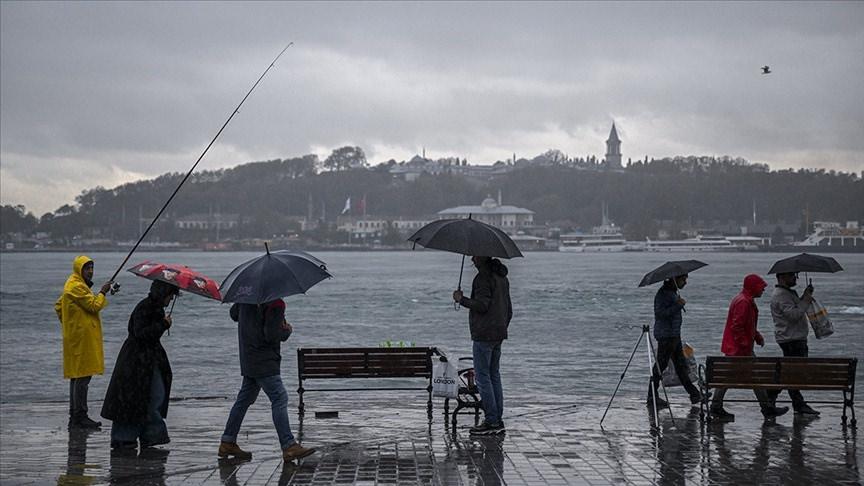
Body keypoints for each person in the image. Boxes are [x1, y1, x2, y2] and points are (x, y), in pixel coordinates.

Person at [218, 299, 315, 462]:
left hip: (248, 358)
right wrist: (286, 331)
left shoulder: (246, 299)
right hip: (265, 361)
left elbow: (234, 314)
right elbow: (271, 335)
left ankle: (228, 441)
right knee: (279, 397)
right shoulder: (275, 303)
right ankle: (288, 445)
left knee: (244, 400)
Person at [101, 280, 178, 450]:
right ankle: (137, 437)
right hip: (137, 361)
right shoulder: (146, 307)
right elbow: (141, 333)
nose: (171, 299)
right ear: (163, 293)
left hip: (143, 360)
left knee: (148, 397)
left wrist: (162, 324)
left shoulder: (153, 307)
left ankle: (143, 436)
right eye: (170, 295)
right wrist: (164, 324)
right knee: (146, 398)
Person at [710, 274, 790, 421]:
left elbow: (746, 325)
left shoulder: (745, 300)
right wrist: (745, 343)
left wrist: (756, 336)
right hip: (739, 350)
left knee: (730, 378)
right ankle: (767, 408)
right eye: (761, 287)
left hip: (737, 349)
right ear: (753, 287)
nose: (763, 290)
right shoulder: (744, 302)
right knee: (753, 378)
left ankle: (716, 406)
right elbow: (737, 326)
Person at [452, 256, 512, 435]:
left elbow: (482, 305)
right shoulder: (502, 278)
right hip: (498, 333)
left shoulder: (483, 279)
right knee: (494, 375)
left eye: (475, 255)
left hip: (484, 334)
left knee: (483, 377)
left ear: (482, 257)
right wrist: (501, 326)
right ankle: (497, 419)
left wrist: (461, 299)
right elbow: (509, 309)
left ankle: (492, 421)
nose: (472, 258)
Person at [54, 255, 113, 429]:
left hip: (76, 338)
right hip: (81, 340)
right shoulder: (76, 286)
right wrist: (102, 292)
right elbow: (94, 306)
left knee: (77, 376)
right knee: (83, 377)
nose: (91, 272)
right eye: (87, 268)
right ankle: (80, 416)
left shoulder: (73, 284)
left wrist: (71, 323)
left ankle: (75, 415)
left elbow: (59, 306)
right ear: (79, 269)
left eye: (92, 268)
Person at [647, 273, 702, 408]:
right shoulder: (663, 294)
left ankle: (694, 394)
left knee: (681, 366)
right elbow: (660, 313)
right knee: (661, 366)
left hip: (674, 335)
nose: (685, 282)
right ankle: (651, 397)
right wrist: (678, 305)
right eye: (683, 279)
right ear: (674, 280)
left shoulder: (671, 292)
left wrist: (677, 303)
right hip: (666, 336)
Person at [768, 272, 820, 415]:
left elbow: (796, 309)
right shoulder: (781, 295)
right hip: (792, 339)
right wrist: (806, 300)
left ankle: (776, 396)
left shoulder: (787, 293)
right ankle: (791, 401)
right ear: (782, 277)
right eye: (792, 276)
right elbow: (794, 315)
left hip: (793, 338)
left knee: (791, 372)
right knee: (793, 373)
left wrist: (805, 295)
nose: (795, 278)